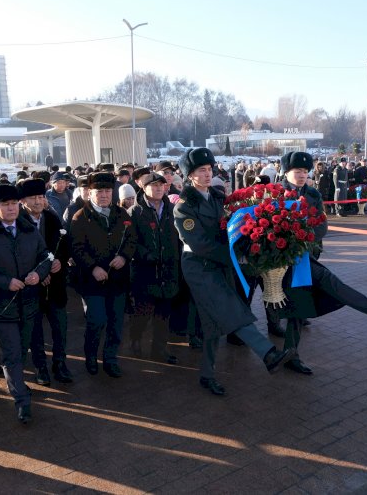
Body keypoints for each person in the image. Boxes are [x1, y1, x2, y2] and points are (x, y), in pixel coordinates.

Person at [173, 148, 290, 396]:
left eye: (209, 169)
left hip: (220, 263)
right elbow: (200, 244)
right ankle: (268, 354)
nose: (207, 174)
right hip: (198, 266)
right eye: (201, 171)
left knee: (213, 321)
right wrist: (237, 256)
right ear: (190, 176)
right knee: (231, 308)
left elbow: (233, 224)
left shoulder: (216, 196)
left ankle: (207, 374)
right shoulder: (184, 206)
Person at [0, 184, 52, 424]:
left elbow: (45, 255)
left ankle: (18, 385)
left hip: (29, 304)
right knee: (12, 354)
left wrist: (39, 273)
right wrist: (5, 282)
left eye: (14, 203)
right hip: (2, 307)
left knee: (22, 349)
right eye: (5, 204)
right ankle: (22, 401)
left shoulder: (29, 230)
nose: (11, 208)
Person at [70, 172, 137, 378]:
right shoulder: (80, 216)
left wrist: (124, 257)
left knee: (116, 322)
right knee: (97, 320)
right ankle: (91, 356)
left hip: (117, 279)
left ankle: (110, 358)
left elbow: (132, 240)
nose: (104, 195)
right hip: (92, 281)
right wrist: (92, 267)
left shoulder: (121, 214)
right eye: (99, 192)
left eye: (108, 191)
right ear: (90, 193)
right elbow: (76, 247)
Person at [275, 152, 328, 375]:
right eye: (298, 172)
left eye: (306, 172)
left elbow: (322, 225)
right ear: (286, 172)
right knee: (276, 298)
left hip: (306, 255)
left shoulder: (313, 194)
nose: (302, 175)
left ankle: (291, 353)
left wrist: (307, 239)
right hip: (279, 258)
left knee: (298, 302)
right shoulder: (275, 193)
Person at [17, 178, 74, 386]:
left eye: (41, 197)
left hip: (56, 284)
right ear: (22, 201)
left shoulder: (51, 218)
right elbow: (16, 255)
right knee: (35, 332)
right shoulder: (18, 222)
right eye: (33, 198)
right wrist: (39, 272)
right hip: (32, 286)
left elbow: (65, 244)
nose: (38, 201)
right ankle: (41, 367)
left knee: (60, 327)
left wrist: (60, 261)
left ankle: (60, 363)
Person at [128, 172, 180, 364]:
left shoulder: (172, 209)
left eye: (162, 185)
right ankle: (135, 338)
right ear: (144, 188)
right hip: (145, 272)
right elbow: (130, 241)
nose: (159, 189)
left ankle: (159, 349)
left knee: (163, 314)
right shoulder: (135, 212)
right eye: (154, 185)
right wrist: (146, 255)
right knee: (142, 312)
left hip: (168, 270)